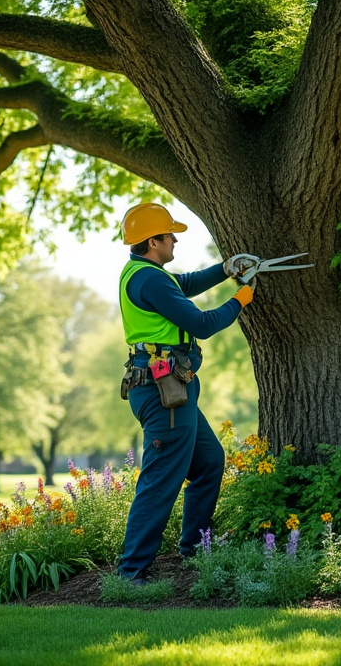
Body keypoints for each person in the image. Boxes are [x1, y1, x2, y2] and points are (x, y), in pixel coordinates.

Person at [114, 202, 254, 581]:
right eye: (169, 235)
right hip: (164, 393)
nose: (175, 239)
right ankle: (132, 572)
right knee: (160, 480)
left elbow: (185, 284)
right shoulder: (151, 279)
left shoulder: (145, 273)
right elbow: (202, 323)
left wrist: (225, 271)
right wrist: (239, 300)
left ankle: (193, 550)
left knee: (208, 463)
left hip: (171, 389)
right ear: (152, 241)